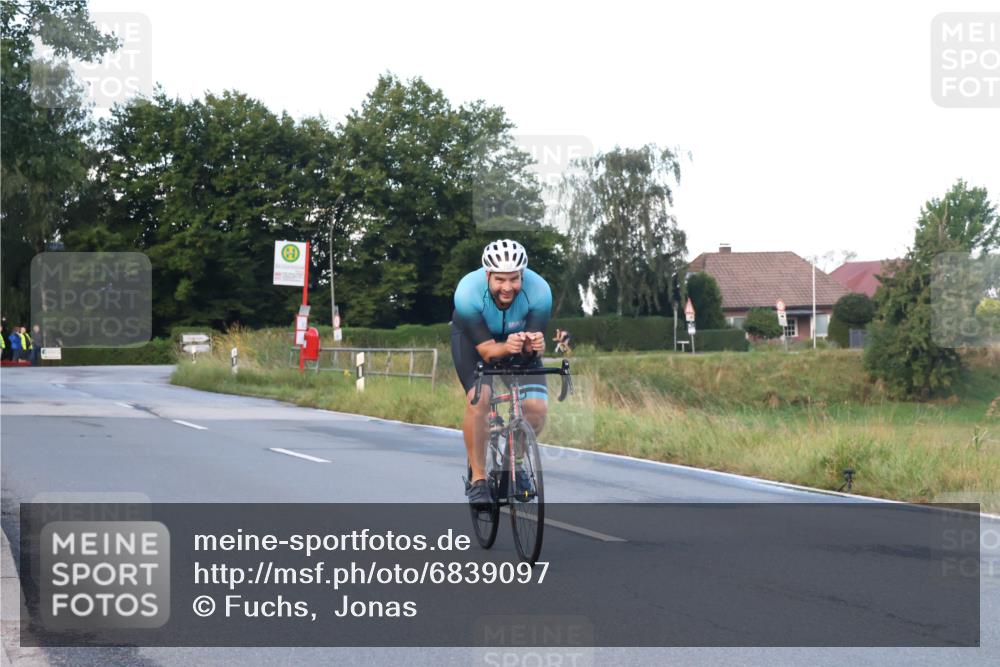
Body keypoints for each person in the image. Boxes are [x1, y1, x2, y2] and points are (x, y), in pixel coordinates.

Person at [451, 239, 551, 505]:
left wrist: (535, 347)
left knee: (537, 408)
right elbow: (486, 352)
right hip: (475, 343)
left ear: (523, 275)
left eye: (514, 279)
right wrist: (507, 345)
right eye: (500, 280)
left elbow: (531, 350)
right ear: (488, 276)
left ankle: (513, 463)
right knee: (480, 399)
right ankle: (479, 480)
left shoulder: (540, 291)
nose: (508, 287)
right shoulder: (467, 293)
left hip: (514, 343)